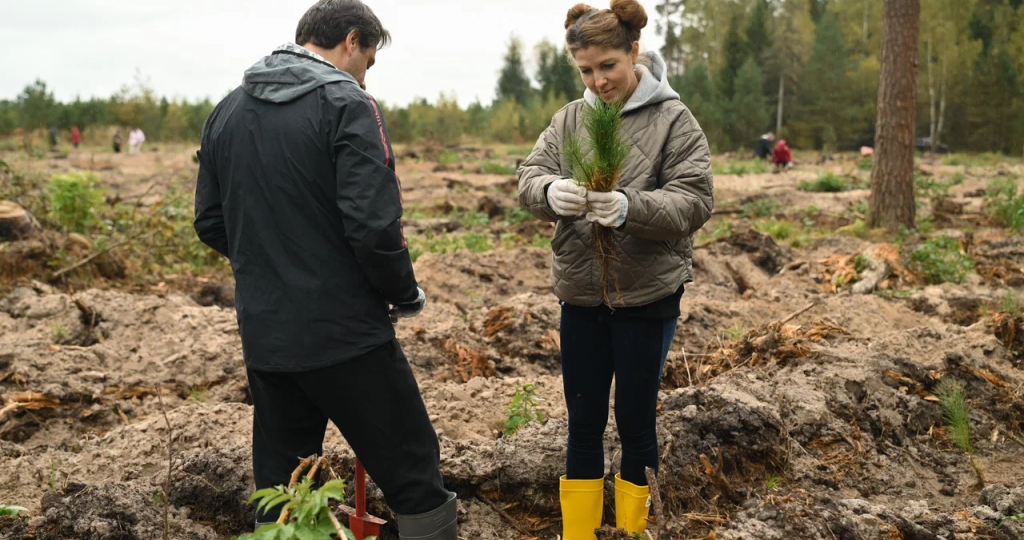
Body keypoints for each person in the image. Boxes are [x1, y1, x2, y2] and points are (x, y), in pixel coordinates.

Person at [193, 1, 457, 538]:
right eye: (369, 61)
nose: (366, 75)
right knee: (413, 474)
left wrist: (273, 266)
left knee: (284, 488)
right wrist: (403, 293)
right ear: (352, 41)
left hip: (267, 335)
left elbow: (210, 221)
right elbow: (374, 227)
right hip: (347, 334)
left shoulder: (227, 109)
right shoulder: (348, 102)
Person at [517, 1, 714, 538]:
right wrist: (548, 191)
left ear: (634, 52)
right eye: (586, 70)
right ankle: (579, 533)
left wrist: (631, 207)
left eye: (608, 65)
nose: (598, 81)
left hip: (647, 296)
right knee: (583, 422)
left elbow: (695, 201)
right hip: (581, 295)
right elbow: (529, 177)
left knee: (635, 420)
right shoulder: (569, 120)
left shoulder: (674, 120)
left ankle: (632, 531)